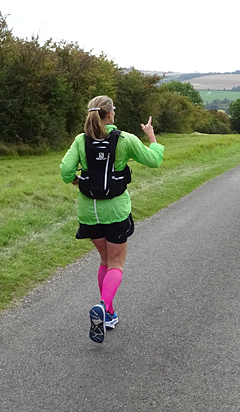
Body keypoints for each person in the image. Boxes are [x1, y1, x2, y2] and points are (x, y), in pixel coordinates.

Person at [60, 95, 164, 343]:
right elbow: (154, 160)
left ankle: (108, 313)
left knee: (105, 260)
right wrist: (151, 136)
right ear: (110, 114)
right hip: (116, 211)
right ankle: (103, 306)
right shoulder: (125, 139)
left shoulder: (80, 140)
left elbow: (65, 172)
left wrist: (78, 179)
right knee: (116, 263)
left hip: (89, 212)